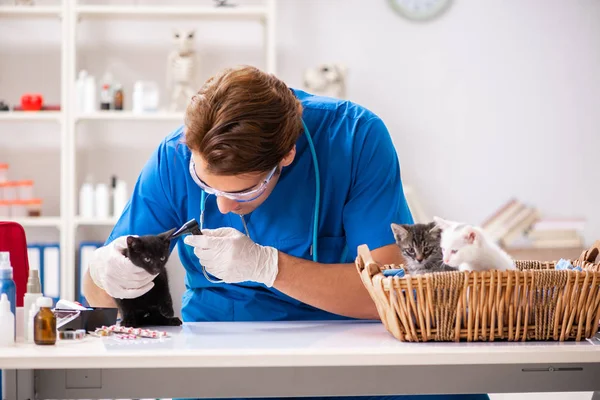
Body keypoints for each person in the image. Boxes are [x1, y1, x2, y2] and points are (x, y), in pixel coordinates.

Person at [83, 65, 489, 400]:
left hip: (347, 336)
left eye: (245, 191)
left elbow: (392, 293)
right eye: (208, 186)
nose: (223, 206)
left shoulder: (354, 138)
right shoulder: (173, 156)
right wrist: (105, 273)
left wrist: (269, 266)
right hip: (222, 340)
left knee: (451, 388)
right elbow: (98, 296)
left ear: (287, 155)